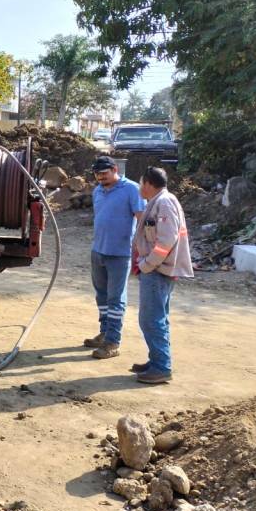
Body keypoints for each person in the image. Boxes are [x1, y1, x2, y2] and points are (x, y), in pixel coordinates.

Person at [130, 166, 192, 384]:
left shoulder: (164, 203)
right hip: (158, 270)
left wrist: (147, 264)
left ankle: (161, 367)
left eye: (140, 183)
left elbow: (166, 241)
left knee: (151, 319)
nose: (139, 187)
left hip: (157, 271)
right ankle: (156, 360)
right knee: (157, 318)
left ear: (148, 183)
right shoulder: (159, 201)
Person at [84, 155, 146, 359]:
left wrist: (140, 249)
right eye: (97, 174)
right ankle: (104, 333)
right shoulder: (97, 191)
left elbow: (142, 219)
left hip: (120, 254)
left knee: (115, 299)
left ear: (114, 170)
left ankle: (113, 342)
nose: (100, 177)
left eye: (104, 173)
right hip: (98, 251)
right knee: (101, 296)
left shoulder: (131, 189)